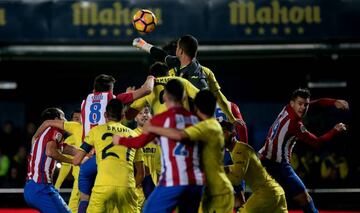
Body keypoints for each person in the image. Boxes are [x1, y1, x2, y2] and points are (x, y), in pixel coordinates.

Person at [113, 79, 204, 213]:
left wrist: (120, 140)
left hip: (174, 181)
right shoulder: (195, 120)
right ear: (184, 96)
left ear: (165, 96)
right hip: (196, 182)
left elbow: (138, 142)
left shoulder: (160, 120)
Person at [143, 90, 234, 213]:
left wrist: (153, 128)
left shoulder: (207, 126)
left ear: (196, 107)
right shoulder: (209, 127)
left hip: (219, 192)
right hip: (210, 191)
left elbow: (180, 135)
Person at [258, 88, 348, 213]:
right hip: (279, 165)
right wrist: (335, 130)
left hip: (262, 158)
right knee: (305, 199)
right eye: (300, 104)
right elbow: (317, 143)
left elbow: (316, 103)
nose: (303, 108)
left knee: (270, 202)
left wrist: (334, 102)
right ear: (292, 103)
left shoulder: (287, 108)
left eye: (306, 104)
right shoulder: (295, 124)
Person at [78, 74, 154, 212]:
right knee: (144, 172)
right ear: (111, 91)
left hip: (90, 155)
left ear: (94, 90)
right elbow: (147, 90)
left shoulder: (85, 102)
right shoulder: (115, 99)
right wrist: (151, 77)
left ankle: (83, 202)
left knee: (83, 182)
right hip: (108, 160)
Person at [132, 35, 238, 124]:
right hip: (180, 121)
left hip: (194, 125)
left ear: (181, 51)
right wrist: (142, 44)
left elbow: (214, 99)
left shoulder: (198, 76)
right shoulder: (177, 63)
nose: (175, 50)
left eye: (177, 47)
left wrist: (232, 119)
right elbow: (161, 55)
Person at [69, 99, 144, 212]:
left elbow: (76, 161)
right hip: (127, 186)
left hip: (102, 186)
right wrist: (129, 187)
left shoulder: (96, 131)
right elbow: (141, 173)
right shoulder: (134, 135)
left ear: (105, 115)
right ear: (123, 116)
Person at [221, 121, 288, 213]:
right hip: (277, 192)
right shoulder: (238, 149)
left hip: (265, 193)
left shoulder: (239, 149)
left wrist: (220, 171)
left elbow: (237, 178)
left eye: (223, 132)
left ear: (234, 133)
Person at [24, 108, 77, 213]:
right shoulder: (55, 129)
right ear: (57, 119)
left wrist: (85, 153)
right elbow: (50, 152)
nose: (66, 120)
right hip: (41, 187)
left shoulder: (39, 136)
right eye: (63, 117)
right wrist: (73, 161)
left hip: (32, 188)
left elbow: (65, 148)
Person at [125, 62, 199, 119]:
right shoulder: (181, 81)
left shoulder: (147, 87)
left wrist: (130, 100)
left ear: (151, 75)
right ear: (168, 73)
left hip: (162, 125)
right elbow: (202, 98)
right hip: (184, 122)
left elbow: (129, 116)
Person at [133, 105, 161, 211]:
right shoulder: (131, 135)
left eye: (146, 112)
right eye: (140, 113)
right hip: (136, 191)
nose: (144, 115)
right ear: (135, 118)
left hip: (154, 191)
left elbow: (160, 167)